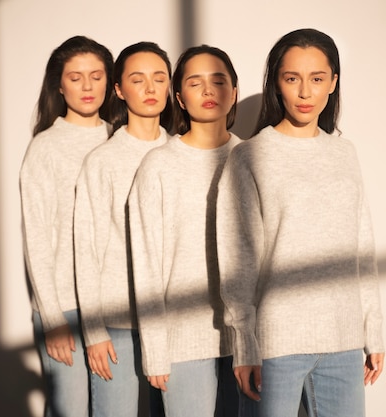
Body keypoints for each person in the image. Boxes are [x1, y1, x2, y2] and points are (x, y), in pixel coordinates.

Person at [216, 28, 385, 417]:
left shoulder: (344, 153)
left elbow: (362, 247)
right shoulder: (250, 156)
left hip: (343, 340)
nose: (305, 93)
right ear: (277, 83)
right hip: (276, 344)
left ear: (333, 83)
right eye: (292, 79)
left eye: (317, 79)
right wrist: (244, 345)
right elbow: (236, 260)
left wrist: (372, 329)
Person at [127, 45, 242, 417]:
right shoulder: (159, 166)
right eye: (195, 83)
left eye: (218, 81)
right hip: (183, 341)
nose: (208, 91)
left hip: (249, 343)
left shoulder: (253, 159)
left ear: (234, 92)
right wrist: (155, 348)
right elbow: (146, 264)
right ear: (179, 97)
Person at [73, 41, 172, 417]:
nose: (149, 89)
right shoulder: (103, 161)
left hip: (172, 320)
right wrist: (94, 331)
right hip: (117, 324)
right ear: (118, 89)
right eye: (137, 79)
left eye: (159, 78)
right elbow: (87, 248)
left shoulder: (180, 153)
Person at [19, 35, 114, 417]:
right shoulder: (46, 147)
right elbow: (37, 237)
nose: (88, 86)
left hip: (112, 307)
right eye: (76, 77)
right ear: (59, 84)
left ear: (111, 82)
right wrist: (53, 319)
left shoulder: (118, 138)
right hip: (63, 308)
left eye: (96, 76)